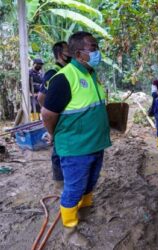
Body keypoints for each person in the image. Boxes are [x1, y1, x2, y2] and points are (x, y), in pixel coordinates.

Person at [41, 31, 111, 247]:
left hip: (95, 144)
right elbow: (47, 114)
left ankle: (86, 211)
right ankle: (69, 231)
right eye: (93, 47)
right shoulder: (64, 78)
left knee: (90, 182)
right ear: (79, 54)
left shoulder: (91, 74)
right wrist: (53, 134)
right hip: (75, 148)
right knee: (73, 189)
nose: (97, 52)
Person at [37, 41, 71, 193]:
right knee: (58, 151)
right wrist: (51, 111)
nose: (70, 53)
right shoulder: (53, 73)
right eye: (67, 50)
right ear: (59, 54)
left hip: (69, 120)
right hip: (58, 118)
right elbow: (41, 98)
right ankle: (60, 183)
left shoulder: (70, 71)